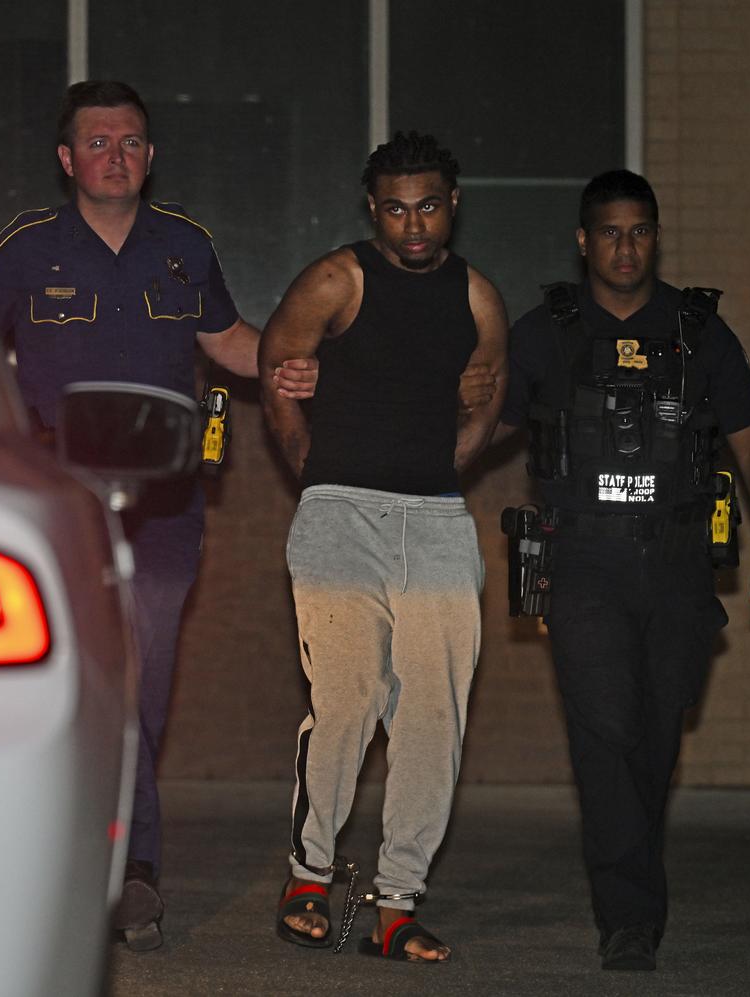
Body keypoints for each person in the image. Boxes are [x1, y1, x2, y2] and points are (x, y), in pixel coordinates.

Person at [0, 80, 318, 951]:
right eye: (97, 142)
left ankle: (129, 867)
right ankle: (84, 862)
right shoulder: (25, 248)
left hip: (164, 505)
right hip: (59, 506)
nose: (115, 156)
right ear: (67, 159)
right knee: (62, 677)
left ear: (151, 155)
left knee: (142, 683)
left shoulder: (184, 247)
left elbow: (229, 342)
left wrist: (297, 362)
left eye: (130, 141)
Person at [473, 168, 750, 970]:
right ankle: (628, 917)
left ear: (656, 238)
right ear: (584, 241)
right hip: (582, 561)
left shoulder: (699, 330)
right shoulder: (547, 330)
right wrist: (412, 461)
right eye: (611, 232)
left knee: (655, 727)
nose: (626, 247)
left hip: (678, 562)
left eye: (640, 231)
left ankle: (630, 882)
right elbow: (485, 426)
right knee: (603, 726)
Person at [259, 130, 508, 962]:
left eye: (428, 206)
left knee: (435, 714)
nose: (414, 225)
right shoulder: (338, 279)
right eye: (396, 209)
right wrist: (311, 468)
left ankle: (397, 905)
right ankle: (308, 876)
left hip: (435, 516)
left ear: (452, 205)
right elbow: (276, 365)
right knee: (349, 696)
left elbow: (490, 391)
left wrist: (446, 466)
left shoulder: (476, 294)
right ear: (373, 209)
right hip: (341, 512)